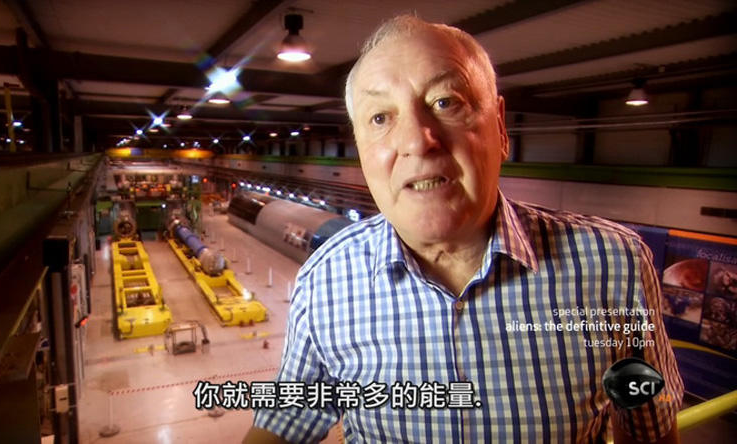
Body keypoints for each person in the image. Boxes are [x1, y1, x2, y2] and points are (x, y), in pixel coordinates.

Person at [245, 14, 683, 444]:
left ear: (500, 127)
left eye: (445, 102)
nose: (417, 141)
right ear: (360, 149)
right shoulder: (326, 279)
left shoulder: (613, 265)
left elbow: (648, 429)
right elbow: (284, 424)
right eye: (380, 118)